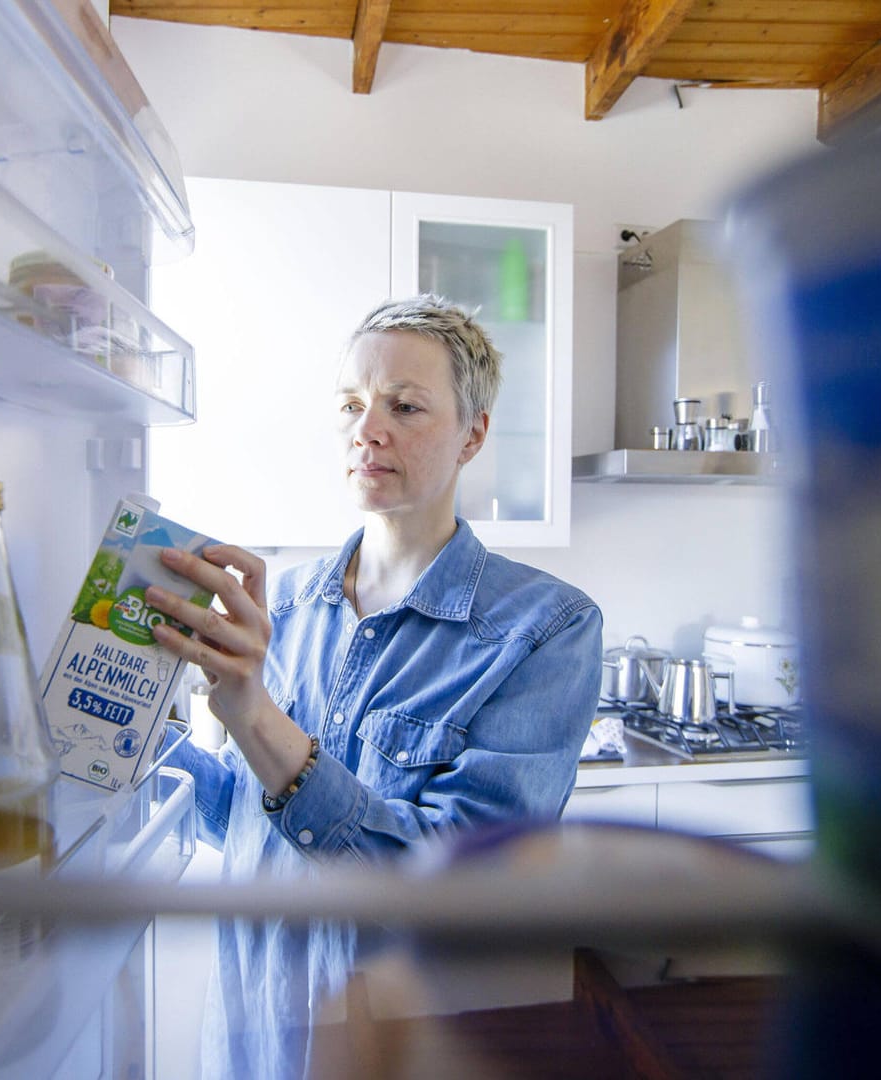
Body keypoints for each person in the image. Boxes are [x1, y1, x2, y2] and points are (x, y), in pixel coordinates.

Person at [145, 295, 606, 1080]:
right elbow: (247, 824)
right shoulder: (281, 605)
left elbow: (460, 887)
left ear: (475, 434)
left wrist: (255, 716)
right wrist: (124, 710)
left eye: (405, 406)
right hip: (252, 1030)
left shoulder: (545, 628)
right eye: (352, 406)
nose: (368, 428)